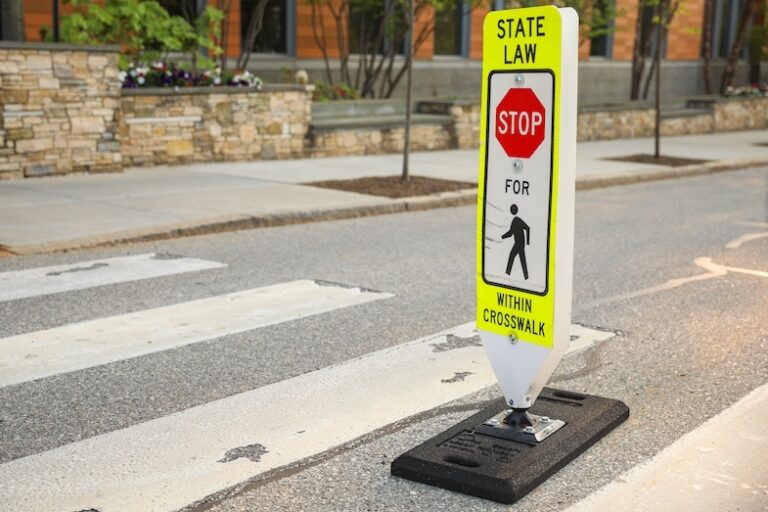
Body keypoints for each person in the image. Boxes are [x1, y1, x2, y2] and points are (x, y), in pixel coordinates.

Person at [501, 204, 530, 280]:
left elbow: (527, 228)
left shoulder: (516, 220)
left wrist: (528, 241)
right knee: (522, 260)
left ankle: (507, 273)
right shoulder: (516, 220)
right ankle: (526, 277)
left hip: (519, 244)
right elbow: (511, 233)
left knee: (512, 256)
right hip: (520, 243)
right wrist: (503, 236)